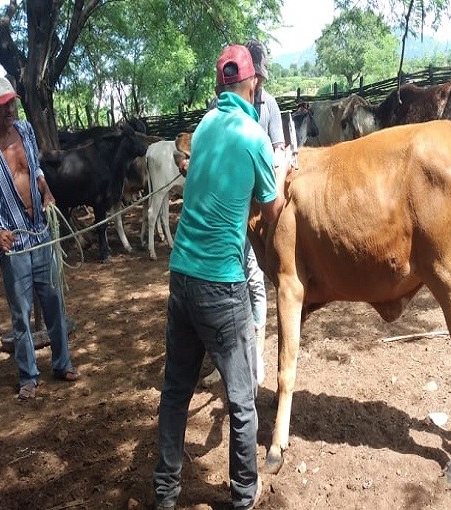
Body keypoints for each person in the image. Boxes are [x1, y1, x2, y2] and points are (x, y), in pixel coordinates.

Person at [153, 45, 288, 510]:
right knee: (242, 400)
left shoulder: (206, 126)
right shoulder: (253, 136)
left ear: (219, 86)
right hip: (221, 283)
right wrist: (281, 174)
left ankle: (166, 494)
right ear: (252, 84)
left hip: (181, 276)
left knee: (175, 391)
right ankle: (244, 496)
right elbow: (272, 211)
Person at [0, 76, 79, 401]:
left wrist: (46, 192)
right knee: (20, 313)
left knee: (53, 302)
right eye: (3, 105)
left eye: (12, 102)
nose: (10, 109)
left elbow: (35, 170)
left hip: (40, 234)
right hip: (14, 241)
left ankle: (62, 363)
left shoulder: (27, 131)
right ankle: (28, 376)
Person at [201, 39, 285, 389]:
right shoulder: (218, 114)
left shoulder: (269, 108)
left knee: (256, 282)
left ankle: (256, 356)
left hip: (257, 208)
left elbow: (279, 149)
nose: (259, 84)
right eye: (256, 78)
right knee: (239, 279)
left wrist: (278, 170)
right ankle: (231, 357)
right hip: (235, 210)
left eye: (261, 77)